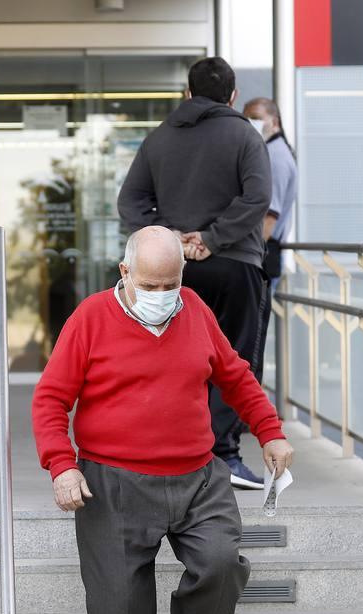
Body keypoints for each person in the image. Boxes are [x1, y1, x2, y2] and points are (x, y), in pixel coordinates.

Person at [31, 226, 294, 614]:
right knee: (119, 601)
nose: (162, 296)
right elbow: (50, 400)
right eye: (150, 285)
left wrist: (270, 430)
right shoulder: (90, 318)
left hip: (197, 474)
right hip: (113, 479)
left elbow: (235, 376)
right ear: (125, 272)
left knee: (221, 561)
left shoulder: (193, 308)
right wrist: (62, 465)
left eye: (170, 283)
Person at [117, 57, 273, 490]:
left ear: (188, 94)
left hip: (173, 271)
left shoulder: (158, 138)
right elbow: (258, 196)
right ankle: (224, 457)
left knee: (170, 357)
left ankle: (173, 456)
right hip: (234, 263)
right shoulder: (245, 134)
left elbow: (131, 201)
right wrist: (213, 238)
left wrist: (168, 239)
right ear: (233, 95)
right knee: (235, 361)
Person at [243, 97, 298, 286]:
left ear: (274, 122)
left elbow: (269, 217)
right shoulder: (270, 151)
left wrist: (249, 260)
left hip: (262, 253)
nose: (251, 123)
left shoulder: (275, 157)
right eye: (246, 118)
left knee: (257, 314)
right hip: (262, 251)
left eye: (256, 117)